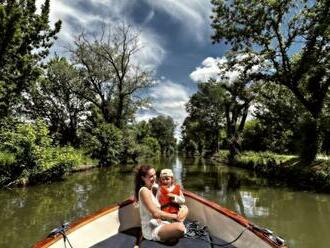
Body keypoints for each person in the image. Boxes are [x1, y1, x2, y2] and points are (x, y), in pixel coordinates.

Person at [135, 165, 186, 242]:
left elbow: (166, 188)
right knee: (180, 228)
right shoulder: (144, 191)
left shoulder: (152, 187)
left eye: (155, 175)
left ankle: (168, 235)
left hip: (159, 223)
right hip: (151, 229)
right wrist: (175, 216)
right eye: (151, 176)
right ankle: (147, 235)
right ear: (143, 178)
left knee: (184, 209)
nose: (154, 177)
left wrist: (175, 196)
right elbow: (155, 213)